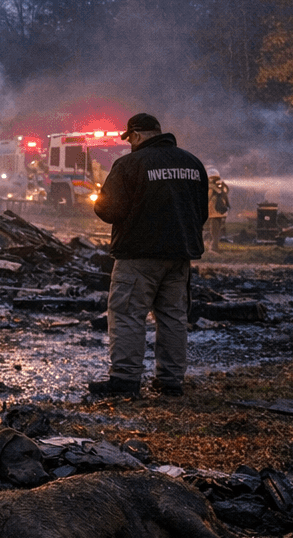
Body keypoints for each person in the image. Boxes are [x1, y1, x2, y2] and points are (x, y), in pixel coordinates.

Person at [89, 112, 209, 397]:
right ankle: (170, 382)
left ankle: (125, 380)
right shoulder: (192, 163)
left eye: (130, 138)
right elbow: (201, 213)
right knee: (173, 317)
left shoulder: (130, 164)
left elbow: (108, 210)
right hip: (179, 255)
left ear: (138, 134)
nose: (129, 143)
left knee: (128, 314)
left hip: (137, 256)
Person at [206, 168, 230, 252]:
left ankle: (213, 248)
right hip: (220, 213)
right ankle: (213, 247)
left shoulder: (210, 187)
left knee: (214, 232)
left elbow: (206, 199)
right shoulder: (220, 186)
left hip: (213, 213)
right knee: (215, 232)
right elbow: (226, 192)